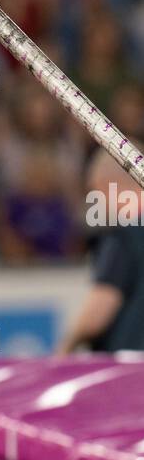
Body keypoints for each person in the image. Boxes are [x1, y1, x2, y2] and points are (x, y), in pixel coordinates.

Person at [61, 147, 144, 352]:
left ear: (109, 185)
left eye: (95, 192)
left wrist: (64, 349)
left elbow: (99, 311)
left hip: (130, 368)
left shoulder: (125, 234)